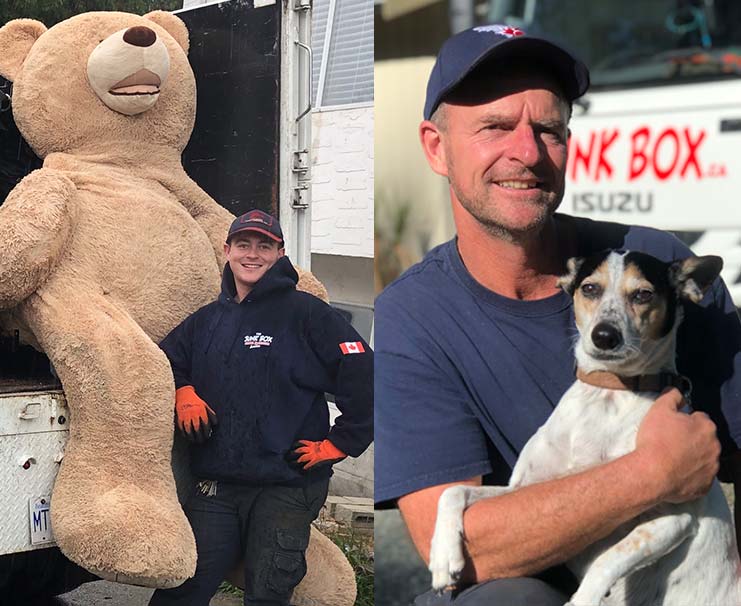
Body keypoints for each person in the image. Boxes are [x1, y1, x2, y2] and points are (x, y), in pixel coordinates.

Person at [374, 24, 741, 606]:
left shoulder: (665, 264)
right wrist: (654, 474)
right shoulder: (412, 315)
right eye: (496, 127)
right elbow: (466, 553)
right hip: (533, 584)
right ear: (436, 147)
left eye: (548, 129)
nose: (527, 153)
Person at [149, 209, 374, 606]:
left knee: (268, 594)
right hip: (216, 486)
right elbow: (162, 358)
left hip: (284, 485)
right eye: (244, 244)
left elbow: (362, 367)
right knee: (179, 592)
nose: (253, 254)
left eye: (264, 246)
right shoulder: (207, 320)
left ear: (280, 253)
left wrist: (342, 443)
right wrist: (182, 390)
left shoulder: (306, 313)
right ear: (228, 250)